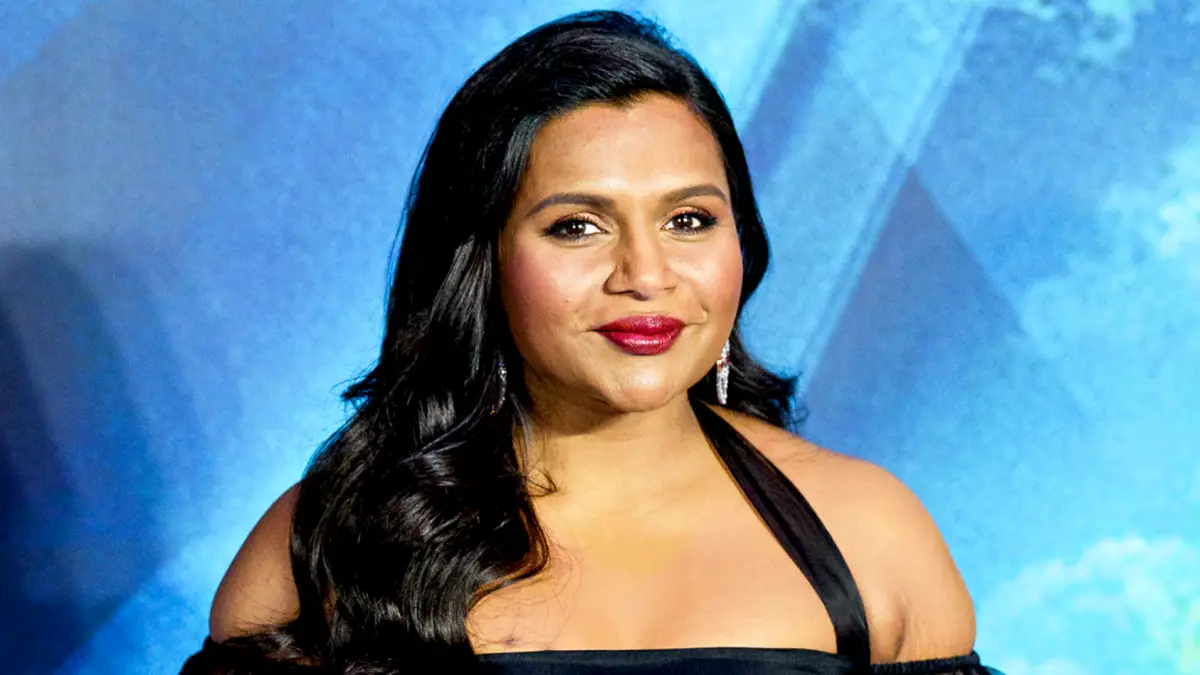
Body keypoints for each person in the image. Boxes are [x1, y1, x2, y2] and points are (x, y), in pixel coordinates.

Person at [182, 10, 999, 675]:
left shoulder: (869, 530)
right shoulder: (337, 537)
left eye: (689, 220)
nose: (646, 274)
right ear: (482, 260)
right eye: (577, 226)